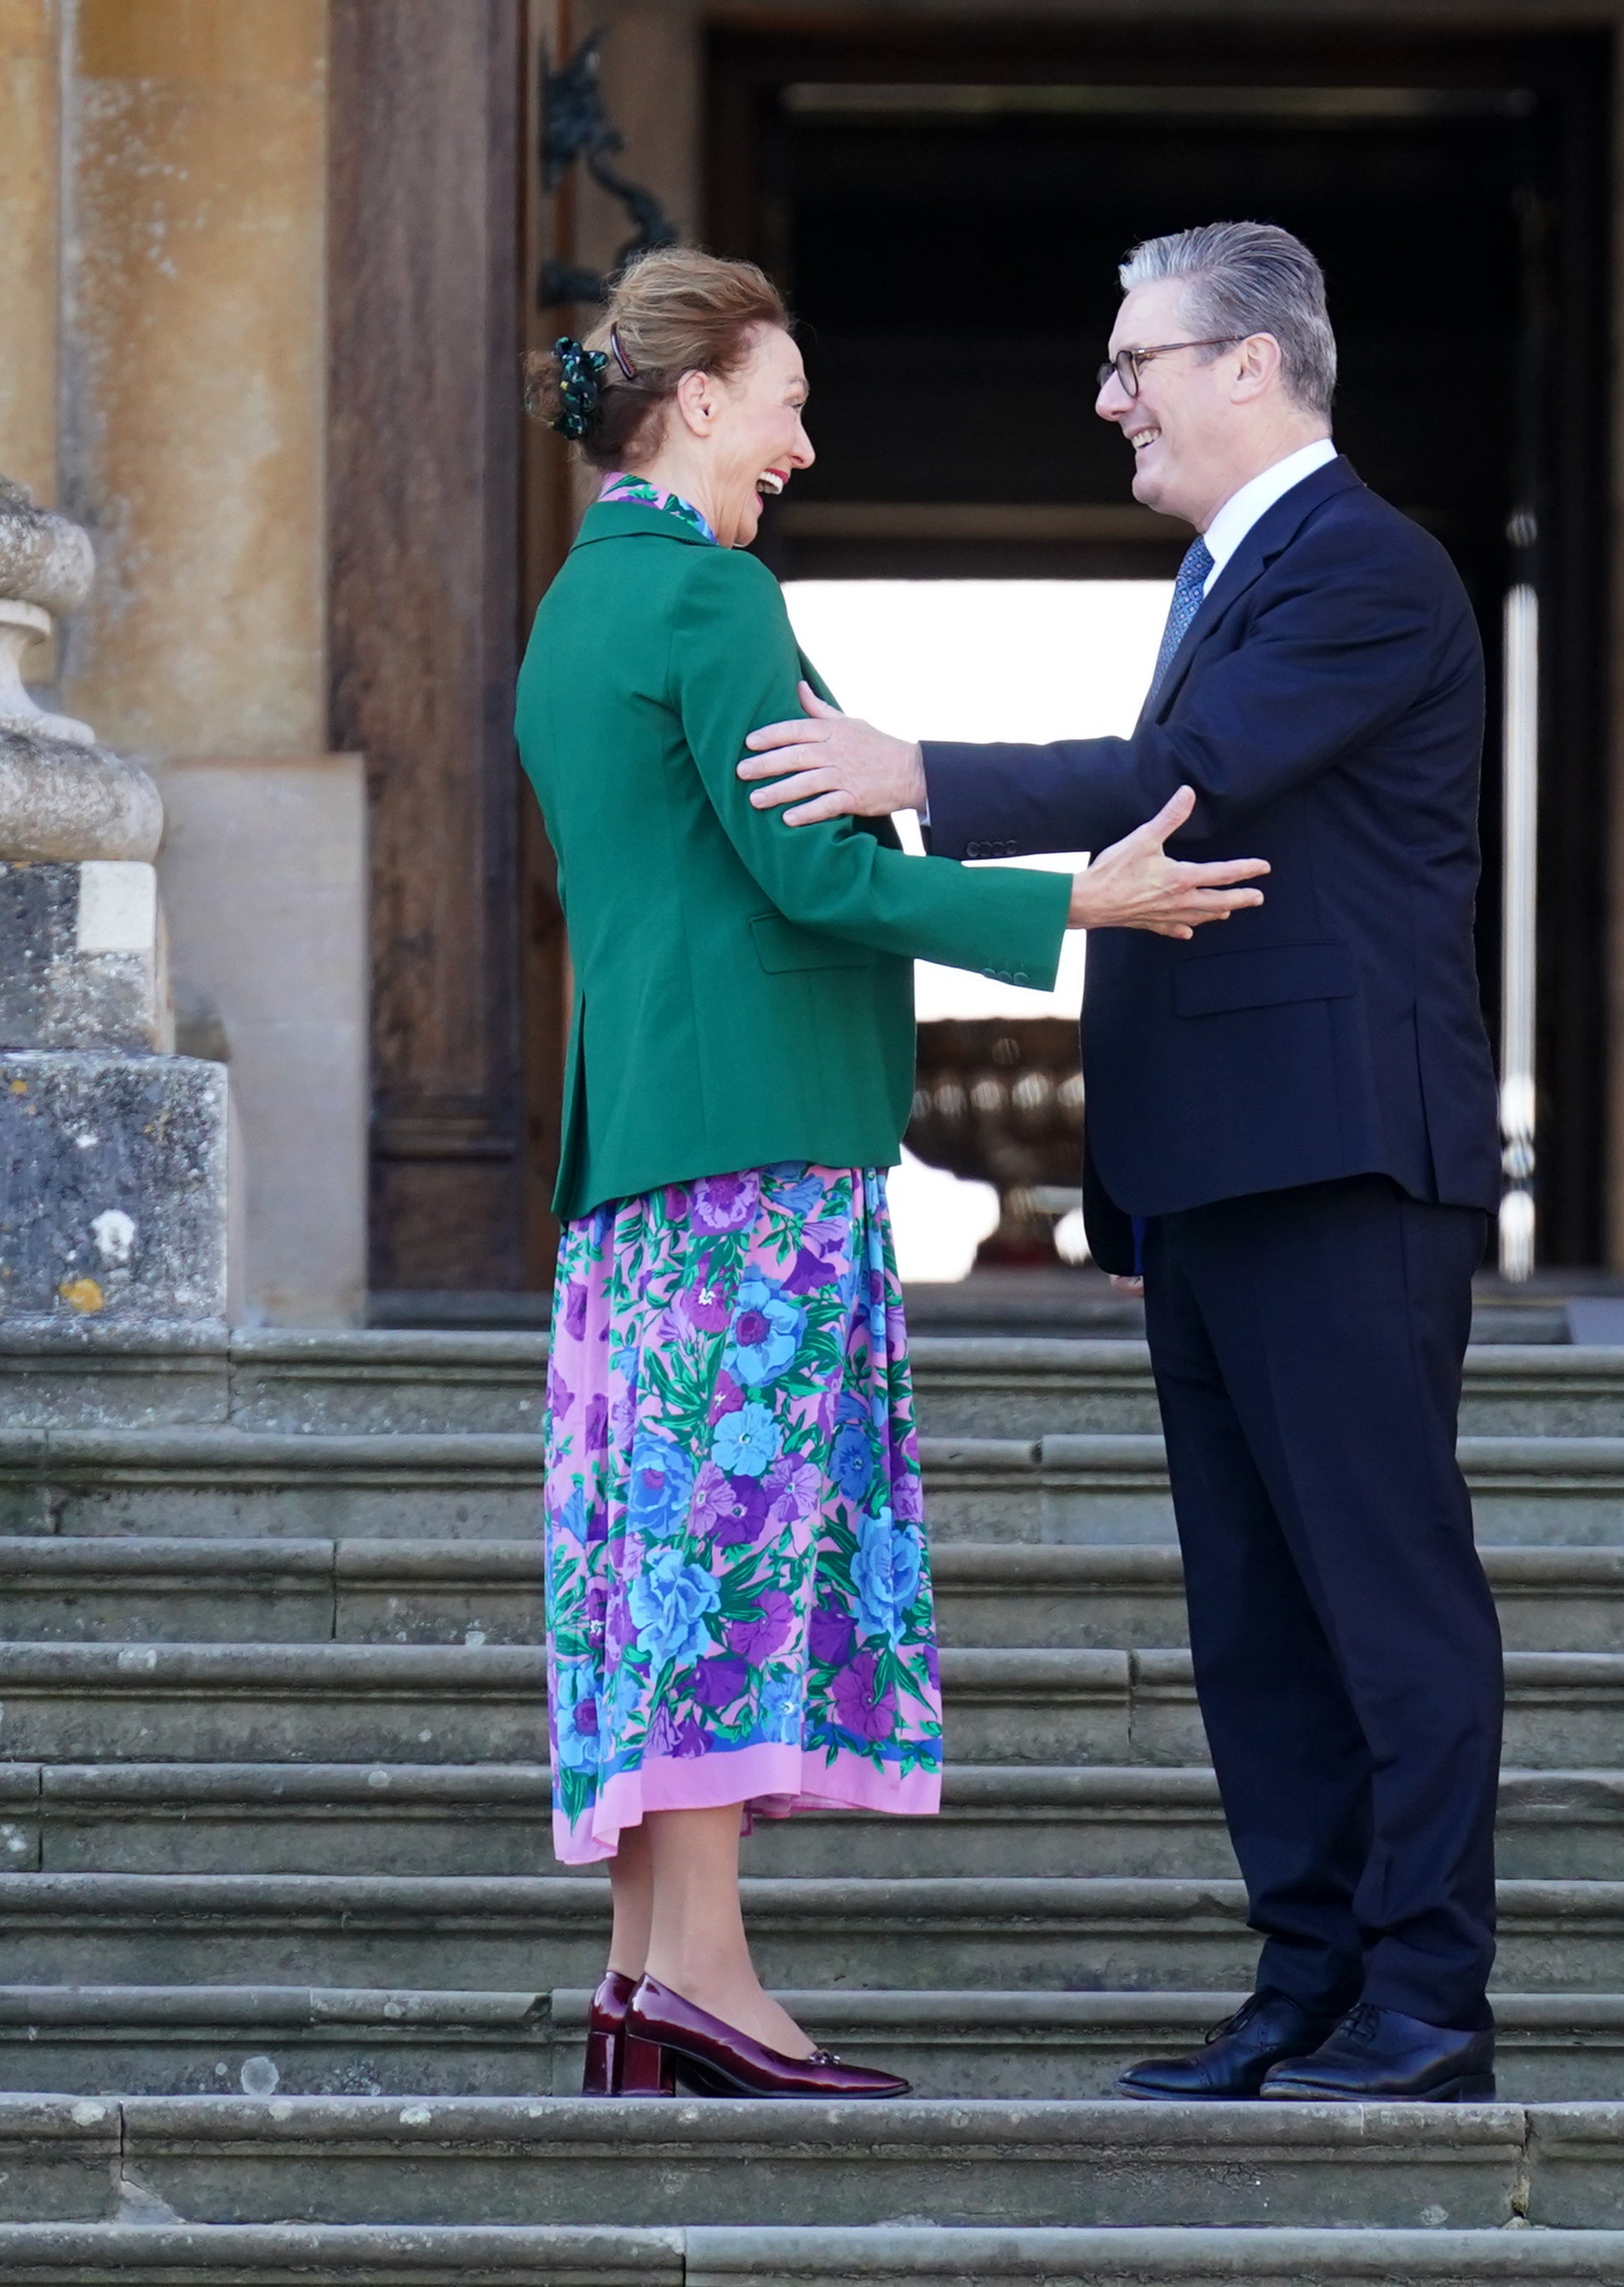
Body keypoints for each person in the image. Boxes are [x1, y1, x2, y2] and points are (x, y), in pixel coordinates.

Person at [737, 222, 1504, 2103]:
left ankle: (1425, 2004)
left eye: (1134, 359)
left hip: (1336, 1167)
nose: (1106, 397)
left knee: (1379, 1597)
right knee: (1252, 1615)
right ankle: (1304, 1987)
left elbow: (1188, 781)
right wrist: (1135, 1184)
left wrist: (905, 766)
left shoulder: (1365, 570)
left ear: (1250, 365)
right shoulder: (1232, 571)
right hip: (1225, 1175)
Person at [512, 249, 1269, 2102]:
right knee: (723, 1551)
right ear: (694, 405)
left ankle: (646, 1973)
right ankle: (698, 1976)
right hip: (751, 1152)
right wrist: (1072, 899)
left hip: (648, 1158)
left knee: (662, 1551)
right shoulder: (710, 600)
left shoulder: (577, 603)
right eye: (780, 400)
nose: (801, 437)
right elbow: (809, 877)